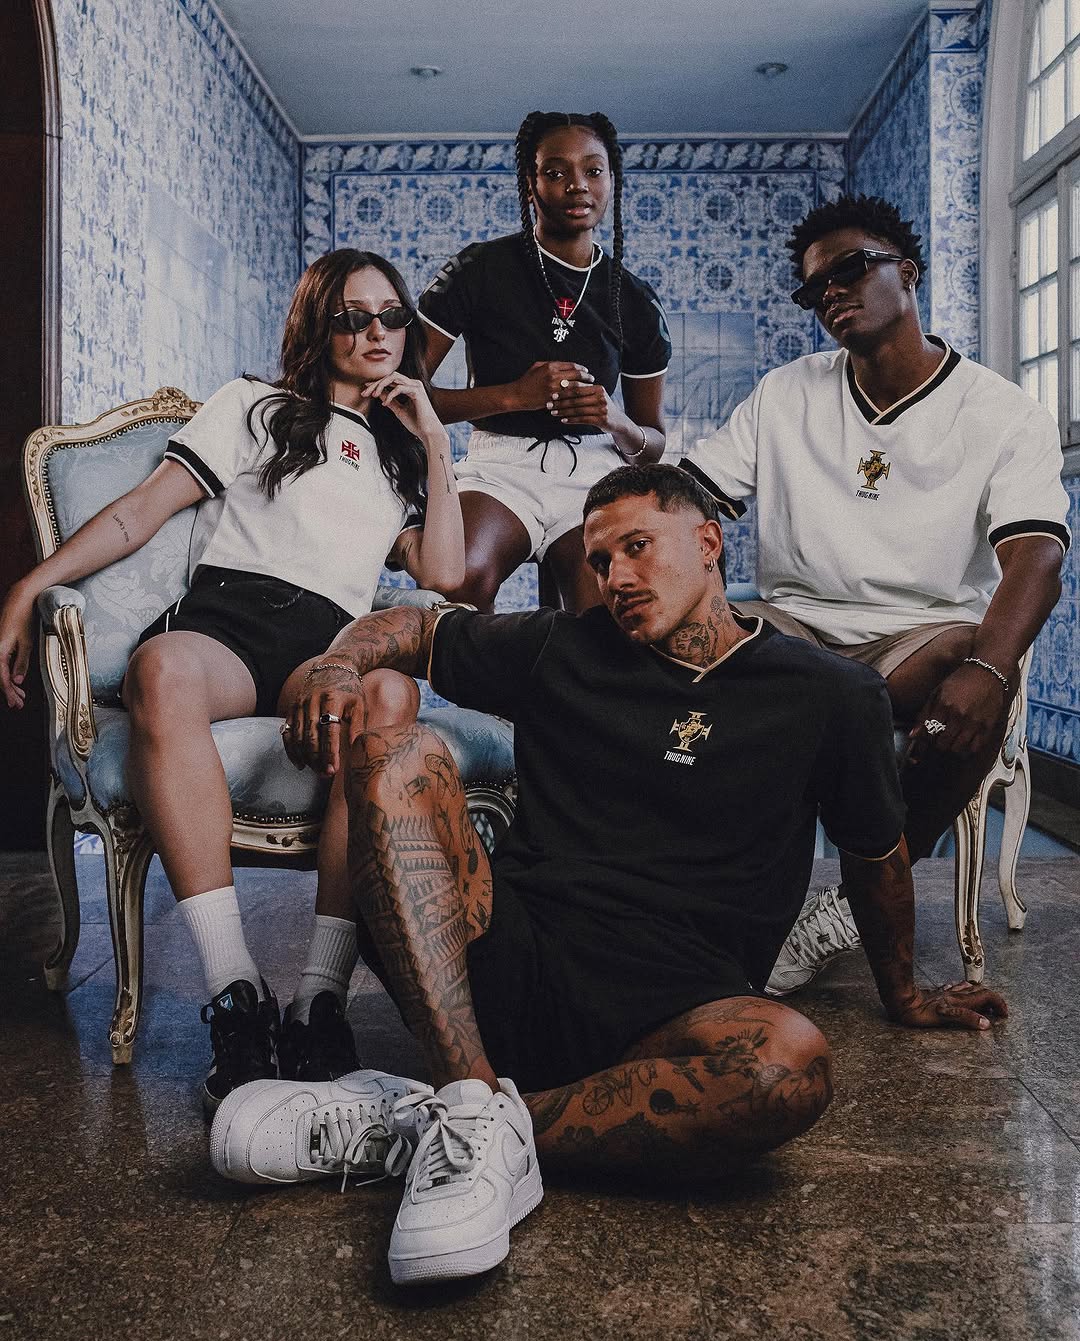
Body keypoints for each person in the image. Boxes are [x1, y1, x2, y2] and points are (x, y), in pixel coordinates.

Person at [211, 463, 1006, 1288]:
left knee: (789, 1067)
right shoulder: (562, 645)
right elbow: (415, 625)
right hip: (496, 963)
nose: (615, 577)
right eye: (598, 561)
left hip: (672, 1011)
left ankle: (434, 1124)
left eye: (637, 547)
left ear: (708, 543)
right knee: (396, 756)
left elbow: (876, 860)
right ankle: (469, 1095)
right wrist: (338, 665)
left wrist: (905, 997)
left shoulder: (831, 695)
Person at [0, 248, 465, 1111]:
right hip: (231, 622)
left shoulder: (400, 456)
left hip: (326, 646)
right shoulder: (256, 406)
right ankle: (235, 993)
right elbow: (141, 513)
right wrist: (31, 584)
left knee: (392, 696)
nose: (376, 332)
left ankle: (319, 1000)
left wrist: (435, 440)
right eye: (353, 316)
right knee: (161, 668)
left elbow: (446, 572)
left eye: (392, 316)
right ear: (319, 325)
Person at [679, 194, 1071, 995]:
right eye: (814, 287)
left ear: (909, 273)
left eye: (851, 268)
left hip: (916, 639)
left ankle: (853, 906)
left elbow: (1037, 555)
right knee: (687, 636)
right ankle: (703, 895)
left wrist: (989, 670)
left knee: (977, 665)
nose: (831, 291)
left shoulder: (1001, 412)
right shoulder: (787, 392)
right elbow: (687, 499)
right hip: (796, 624)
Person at [418, 109, 672, 613]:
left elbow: (653, 444)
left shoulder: (635, 300)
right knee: (458, 579)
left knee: (604, 609)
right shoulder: (480, 269)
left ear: (611, 181)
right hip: (500, 467)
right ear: (530, 185)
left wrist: (614, 420)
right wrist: (513, 396)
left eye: (593, 170)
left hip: (594, 474)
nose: (577, 185)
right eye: (556, 172)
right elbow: (406, 397)